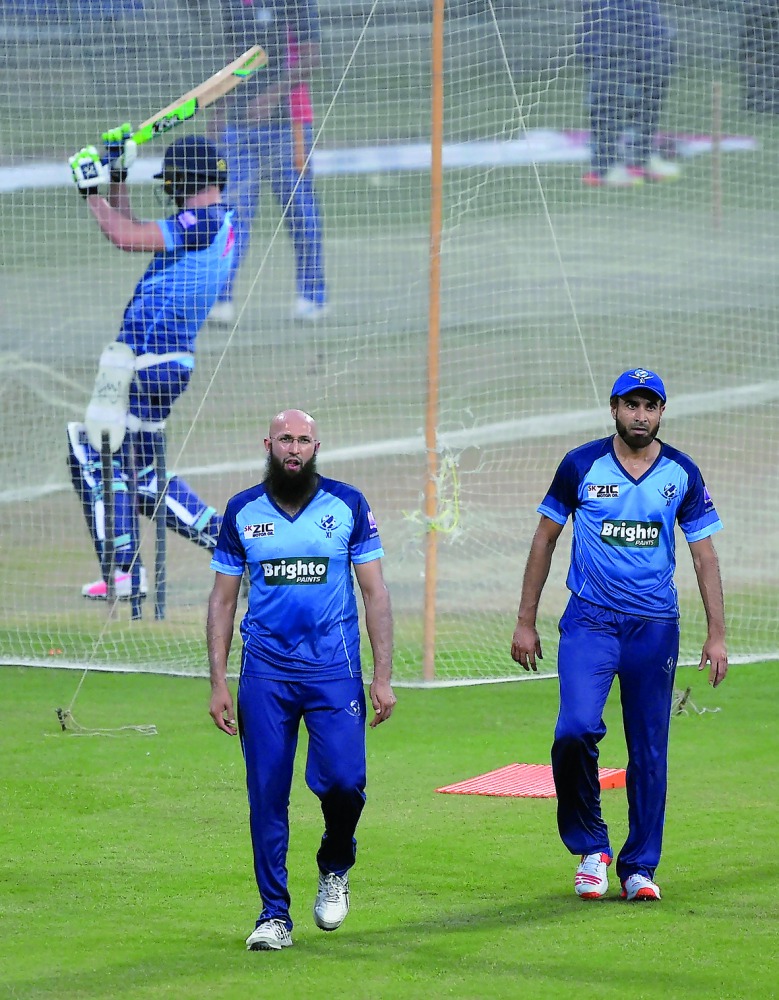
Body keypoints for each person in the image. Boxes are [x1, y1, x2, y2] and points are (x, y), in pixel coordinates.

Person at [510, 368, 727, 901]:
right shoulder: (581, 464)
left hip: (654, 629)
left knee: (650, 749)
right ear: (614, 408)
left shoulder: (682, 472)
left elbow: (704, 555)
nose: (641, 415)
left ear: (661, 413)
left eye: (650, 407)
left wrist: (717, 634)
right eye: (632, 405)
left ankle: (639, 868)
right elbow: (544, 541)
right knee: (575, 730)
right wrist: (525, 620)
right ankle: (591, 849)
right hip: (590, 622)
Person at [207, 408, 395, 951]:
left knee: (345, 782)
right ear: (268, 444)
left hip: (334, 671)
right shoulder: (242, 511)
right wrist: (219, 681)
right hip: (264, 674)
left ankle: (335, 863)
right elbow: (222, 601)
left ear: (317, 446)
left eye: (304, 440)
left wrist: (381, 677)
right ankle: (274, 915)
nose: (294, 449)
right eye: (285, 439)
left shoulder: (348, 505)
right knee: (266, 793)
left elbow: (375, 595)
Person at [67, 130, 232, 599]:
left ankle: (126, 571)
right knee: (142, 477)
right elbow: (136, 226)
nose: (168, 188)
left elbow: (123, 236)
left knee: (96, 455)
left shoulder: (201, 222)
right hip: (159, 361)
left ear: (185, 180)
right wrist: (117, 176)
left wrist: (91, 192)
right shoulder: (212, 221)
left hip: (148, 359)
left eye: (171, 180)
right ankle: (227, 543)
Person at [207, 1, 327, 326]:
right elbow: (233, 60)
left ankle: (312, 296)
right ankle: (221, 298)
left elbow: (312, 57)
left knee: (300, 210)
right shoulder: (233, 6)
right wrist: (219, 110)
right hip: (239, 126)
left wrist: (272, 95)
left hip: (290, 125)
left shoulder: (296, 4)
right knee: (233, 213)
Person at [580, 1, 681, 187]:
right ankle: (605, 165)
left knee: (655, 80)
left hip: (647, 23)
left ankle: (642, 155)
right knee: (608, 93)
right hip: (608, 23)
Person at [741, 2, 779, 113]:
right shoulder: (756, 12)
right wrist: (748, 54)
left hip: (773, 49)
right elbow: (747, 33)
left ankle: (773, 106)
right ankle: (753, 105)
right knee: (757, 77)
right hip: (760, 49)